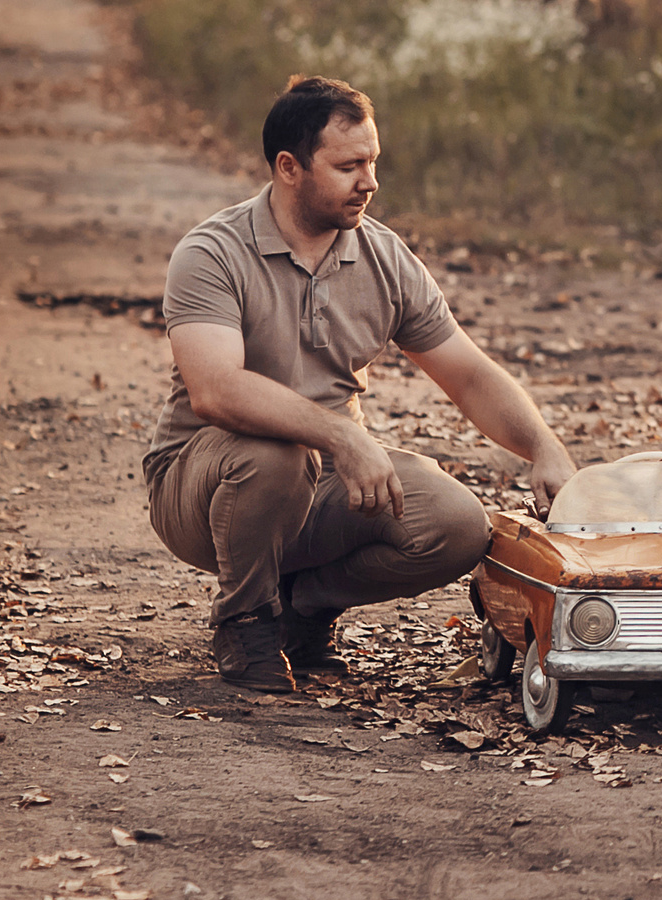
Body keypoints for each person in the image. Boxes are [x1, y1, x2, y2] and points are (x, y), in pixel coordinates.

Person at [151, 76, 578, 692]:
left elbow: (469, 374)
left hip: (324, 483)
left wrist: (543, 446)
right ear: (289, 167)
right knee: (279, 454)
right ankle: (245, 619)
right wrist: (344, 438)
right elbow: (216, 390)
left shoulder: (383, 256)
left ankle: (305, 605)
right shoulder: (213, 253)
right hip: (204, 483)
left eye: (373, 162)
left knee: (459, 525)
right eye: (349, 166)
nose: (370, 181)